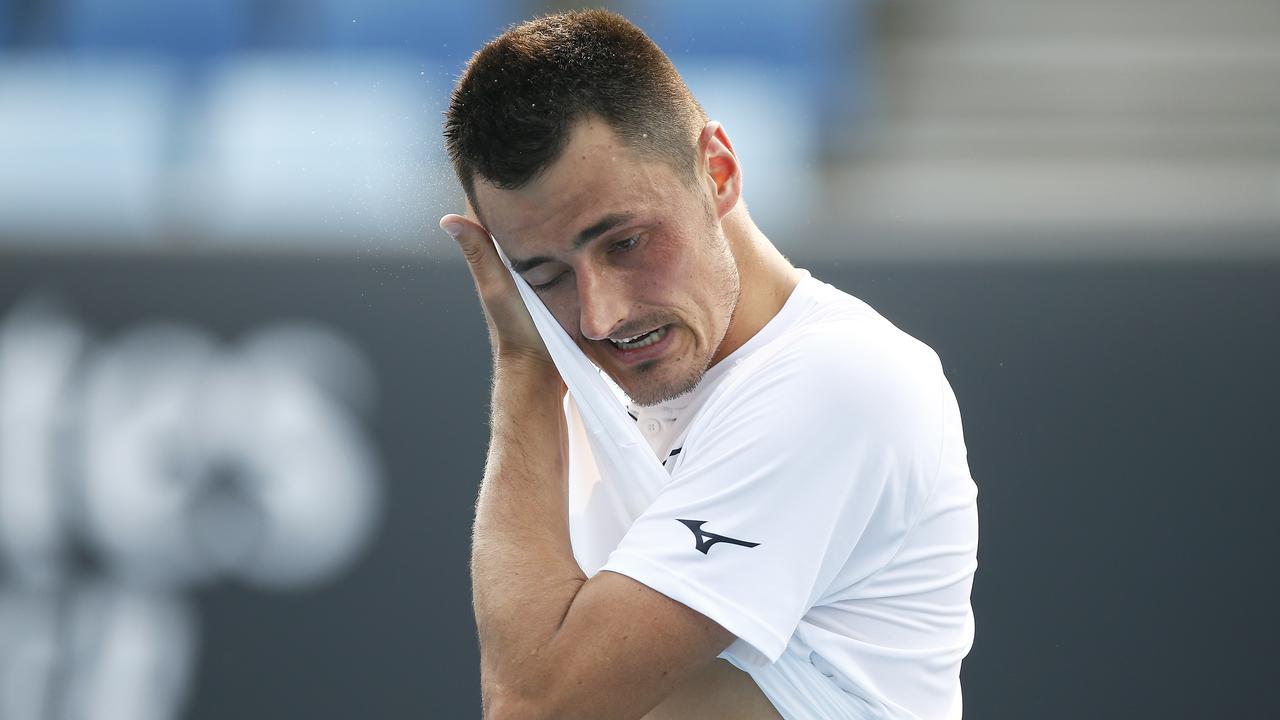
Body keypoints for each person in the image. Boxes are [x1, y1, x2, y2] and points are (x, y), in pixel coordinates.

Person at [439, 10, 978, 719]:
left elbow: (534, 707)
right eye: (544, 276)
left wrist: (525, 363)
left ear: (717, 171)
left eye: (626, 243)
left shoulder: (840, 380)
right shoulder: (600, 393)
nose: (600, 316)